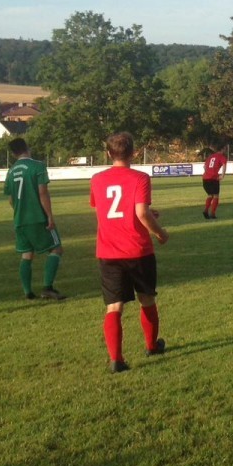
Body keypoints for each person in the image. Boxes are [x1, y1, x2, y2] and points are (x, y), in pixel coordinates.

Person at [91, 131, 169, 373]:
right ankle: (151, 346)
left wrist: (145, 212)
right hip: (137, 249)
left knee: (114, 307)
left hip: (108, 250)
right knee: (147, 299)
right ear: (133, 153)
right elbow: (141, 213)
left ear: (108, 153)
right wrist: (161, 233)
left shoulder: (97, 179)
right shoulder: (140, 178)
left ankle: (116, 359)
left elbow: (104, 210)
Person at [3, 137, 65, 300]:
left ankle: (28, 292)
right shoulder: (37, 166)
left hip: (20, 220)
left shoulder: (11, 171)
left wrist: (20, 211)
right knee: (56, 249)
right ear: (27, 148)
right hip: (37, 218)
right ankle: (47, 288)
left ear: (14, 153)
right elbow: (42, 192)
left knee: (27, 254)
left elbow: (10, 199)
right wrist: (49, 216)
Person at [202, 142, 228, 219]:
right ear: (222, 149)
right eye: (225, 149)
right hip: (213, 178)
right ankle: (212, 214)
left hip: (205, 178)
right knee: (216, 195)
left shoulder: (210, 156)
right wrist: (222, 175)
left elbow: (204, 166)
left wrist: (208, 172)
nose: (226, 150)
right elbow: (224, 165)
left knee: (210, 195)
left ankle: (206, 210)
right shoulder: (222, 157)